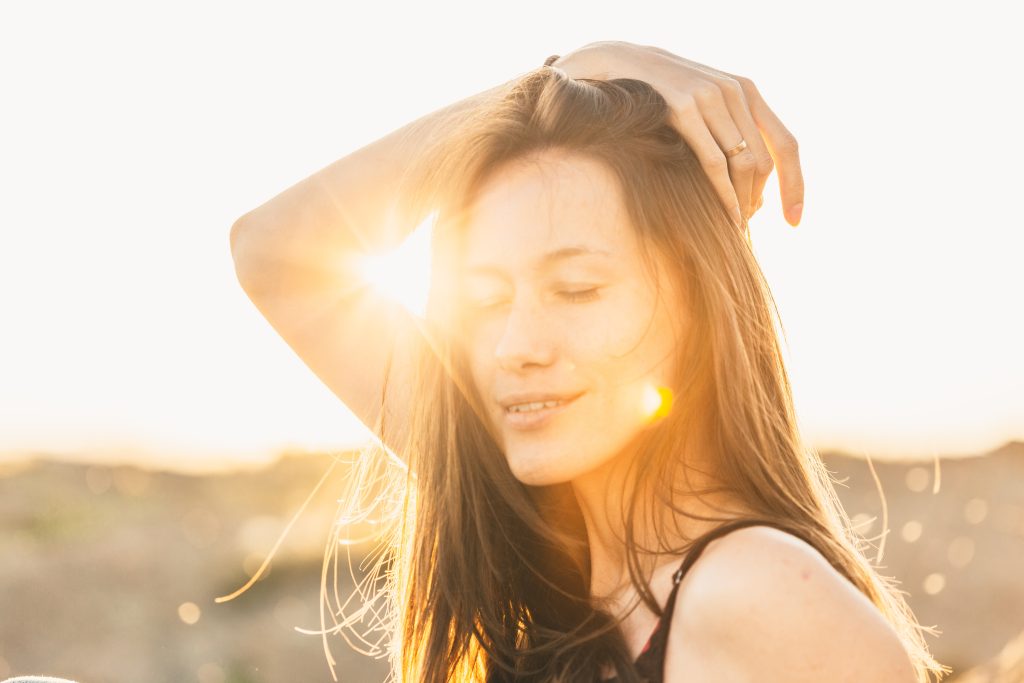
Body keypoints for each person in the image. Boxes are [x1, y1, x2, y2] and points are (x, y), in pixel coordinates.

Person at [230, 41, 950, 682]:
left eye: (576, 289)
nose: (516, 345)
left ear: (699, 303)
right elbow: (273, 250)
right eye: (483, 300)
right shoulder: (538, 534)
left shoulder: (758, 593)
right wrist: (566, 72)